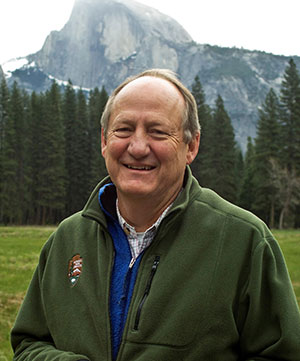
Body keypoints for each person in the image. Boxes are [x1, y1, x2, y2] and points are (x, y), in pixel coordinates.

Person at [11, 69, 300, 360]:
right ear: (104, 140)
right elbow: (28, 344)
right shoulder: (67, 239)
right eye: (123, 129)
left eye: (158, 132)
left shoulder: (245, 241)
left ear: (192, 146)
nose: (137, 147)